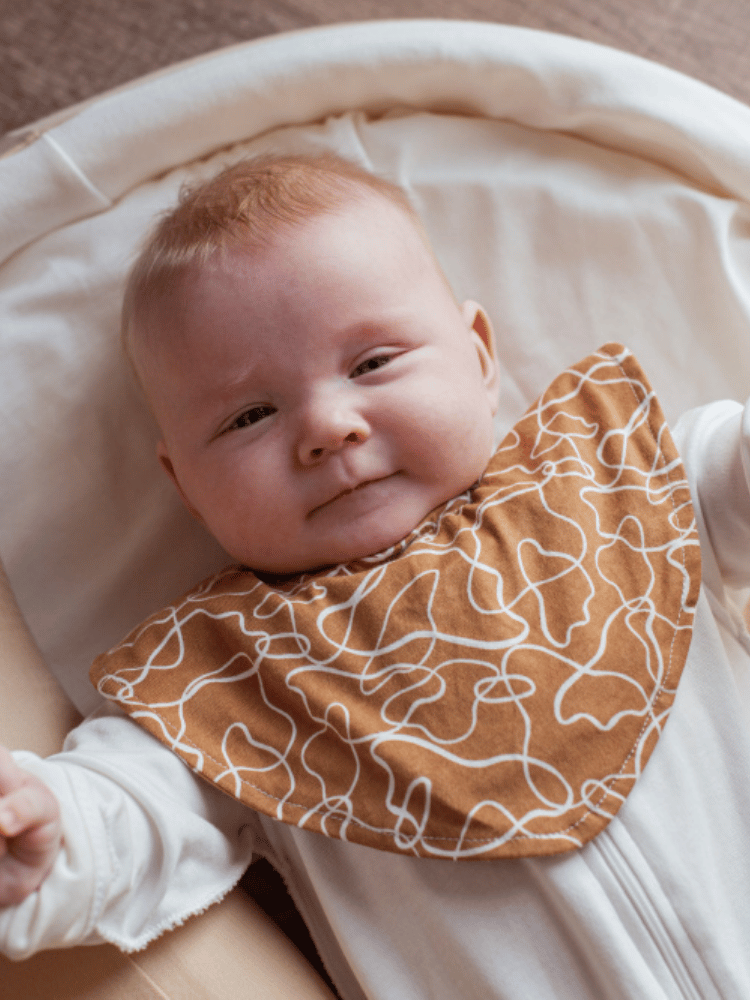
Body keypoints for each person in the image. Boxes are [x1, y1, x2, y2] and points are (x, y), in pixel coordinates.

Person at [1, 152, 750, 999]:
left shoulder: (619, 476)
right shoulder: (227, 681)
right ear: (186, 490)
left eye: (372, 364)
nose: (327, 425)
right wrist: (47, 833)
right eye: (250, 415)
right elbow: (132, 817)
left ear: (479, 356)